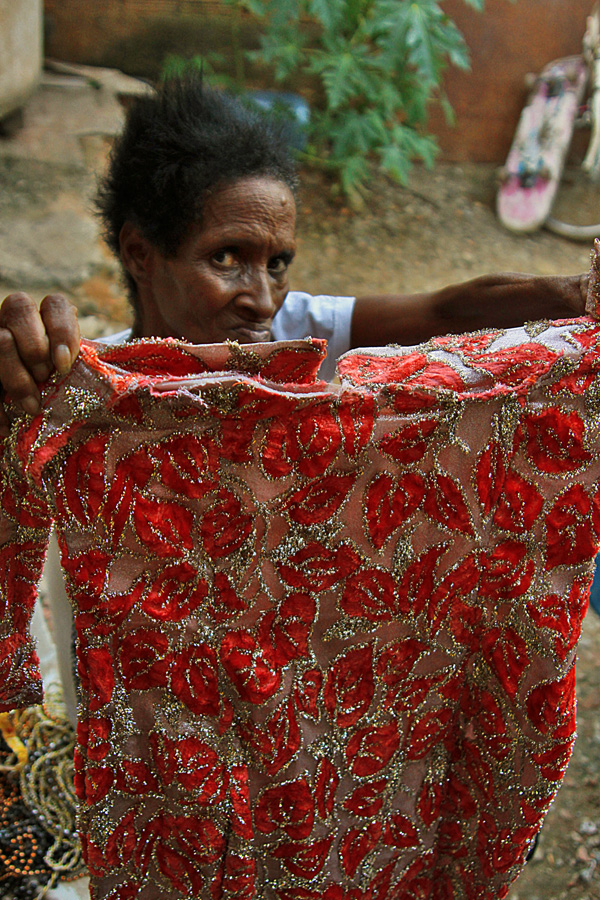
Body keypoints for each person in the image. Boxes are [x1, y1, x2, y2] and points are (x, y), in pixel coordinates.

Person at [0, 74, 593, 900]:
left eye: (278, 262)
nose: (263, 296)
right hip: (146, 733)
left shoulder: (292, 339)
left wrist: (576, 300)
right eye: (228, 259)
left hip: (298, 733)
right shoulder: (76, 394)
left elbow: (450, 306)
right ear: (140, 251)